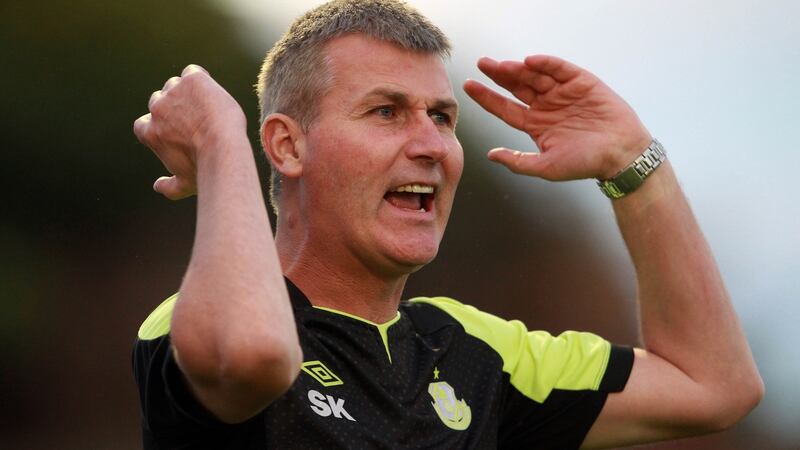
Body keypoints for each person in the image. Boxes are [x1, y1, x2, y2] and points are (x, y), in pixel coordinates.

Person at [132, 0, 763, 448]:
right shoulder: (194, 320)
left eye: (442, 116)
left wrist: (634, 165)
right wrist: (221, 144)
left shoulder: (475, 353)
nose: (431, 144)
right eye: (386, 111)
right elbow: (255, 357)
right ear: (287, 148)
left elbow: (715, 386)